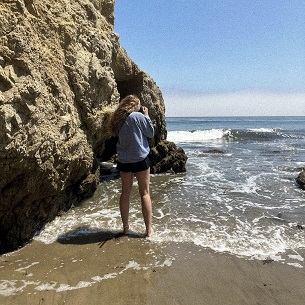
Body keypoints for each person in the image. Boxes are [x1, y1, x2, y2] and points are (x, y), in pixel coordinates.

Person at [108, 94, 154, 237]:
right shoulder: (137, 116)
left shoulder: (118, 119)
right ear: (135, 105)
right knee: (144, 193)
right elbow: (150, 133)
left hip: (124, 161)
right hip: (140, 158)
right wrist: (146, 116)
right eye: (139, 105)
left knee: (125, 193)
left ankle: (126, 228)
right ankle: (149, 231)